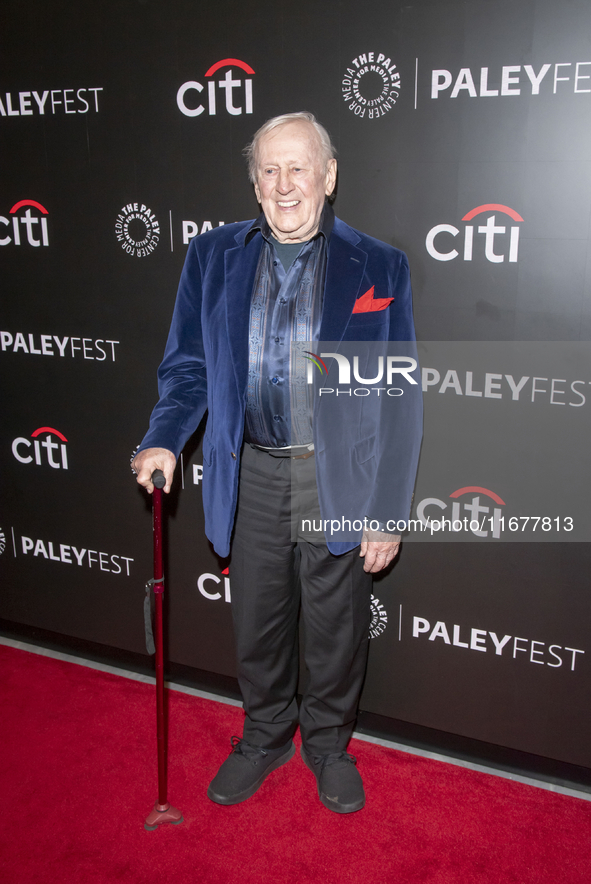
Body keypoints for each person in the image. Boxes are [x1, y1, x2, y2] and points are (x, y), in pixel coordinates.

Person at [132, 112, 422, 814]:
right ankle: (263, 737)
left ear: (327, 176)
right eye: (269, 169)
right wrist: (165, 436)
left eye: (299, 168)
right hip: (252, 470)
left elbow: (397, 398)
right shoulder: (211, 257)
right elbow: (188, 370)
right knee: (256, 621)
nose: (284, 184)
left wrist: (385, 511)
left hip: (339, 477)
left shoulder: (378, 265)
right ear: (253, 182)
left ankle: (326, 746)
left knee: (335, 628)